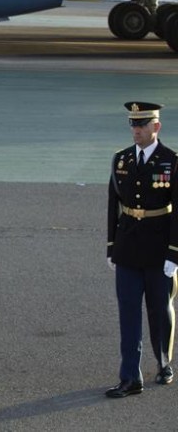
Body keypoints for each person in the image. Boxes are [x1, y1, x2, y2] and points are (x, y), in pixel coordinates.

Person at [105, 101, 178, 398]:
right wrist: (111, 246)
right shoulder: (121, 160)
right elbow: (114, 205)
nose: (136, 130)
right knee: (128, 313)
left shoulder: (171, 161)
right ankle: (130, 376)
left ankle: (163, 362)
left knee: (159, 310)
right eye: (133, 125)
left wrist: (175, 253)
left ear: (156, 127)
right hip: (128, 247)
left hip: (160, 248)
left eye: (142, 125)